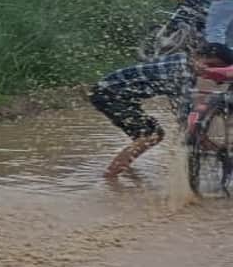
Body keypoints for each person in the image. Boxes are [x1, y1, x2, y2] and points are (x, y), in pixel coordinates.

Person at [91, 43, 233, 177]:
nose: (208, 72)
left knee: (151, 134)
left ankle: (124, 167)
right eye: (211, 66)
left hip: (113, 93)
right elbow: (184, 117)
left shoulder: (182, 59)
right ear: (201, 58)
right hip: (109, 95)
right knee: (150, 136)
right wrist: (204, 141)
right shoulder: (182, 73)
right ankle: (110, 177)